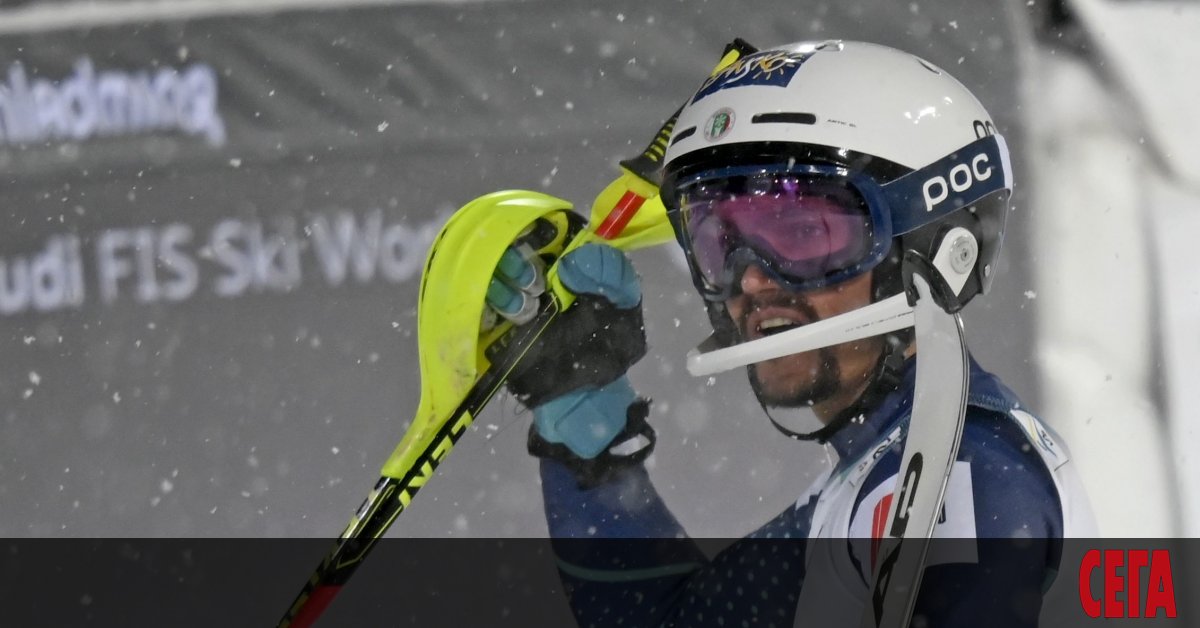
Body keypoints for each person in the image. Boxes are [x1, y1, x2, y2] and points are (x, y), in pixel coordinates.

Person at [486, 40, 1095, 627]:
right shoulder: (880, 476)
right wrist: (587, 427)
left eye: (801, 232)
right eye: (718, 239)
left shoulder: (963, 478)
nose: (750, 280)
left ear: (937, 249)